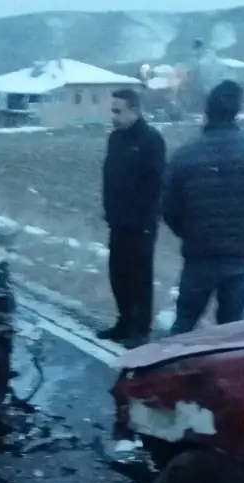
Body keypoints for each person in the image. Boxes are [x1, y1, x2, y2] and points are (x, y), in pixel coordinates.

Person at [161, 80, 244, 335]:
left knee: (184, 325)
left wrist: (190, 232)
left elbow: (168, 207)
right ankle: (220, 373)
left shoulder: (185, 154)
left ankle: (167, 369)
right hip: (240, 257)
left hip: (199, 254)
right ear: (237, 111)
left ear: (207, 111)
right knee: (230, 332)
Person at [99, 88, 167, 347]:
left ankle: (140, 329)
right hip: (117, 222)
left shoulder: (151, 140)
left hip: (141, 224)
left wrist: (144, 217)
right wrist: (110, 211)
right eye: (112, 110)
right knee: (118, 275)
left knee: (139, 277)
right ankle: (124, 321)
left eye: (118, 111)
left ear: (135, 111)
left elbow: (156, 185)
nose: (114, 116)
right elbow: (110, 177)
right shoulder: (115, 139)